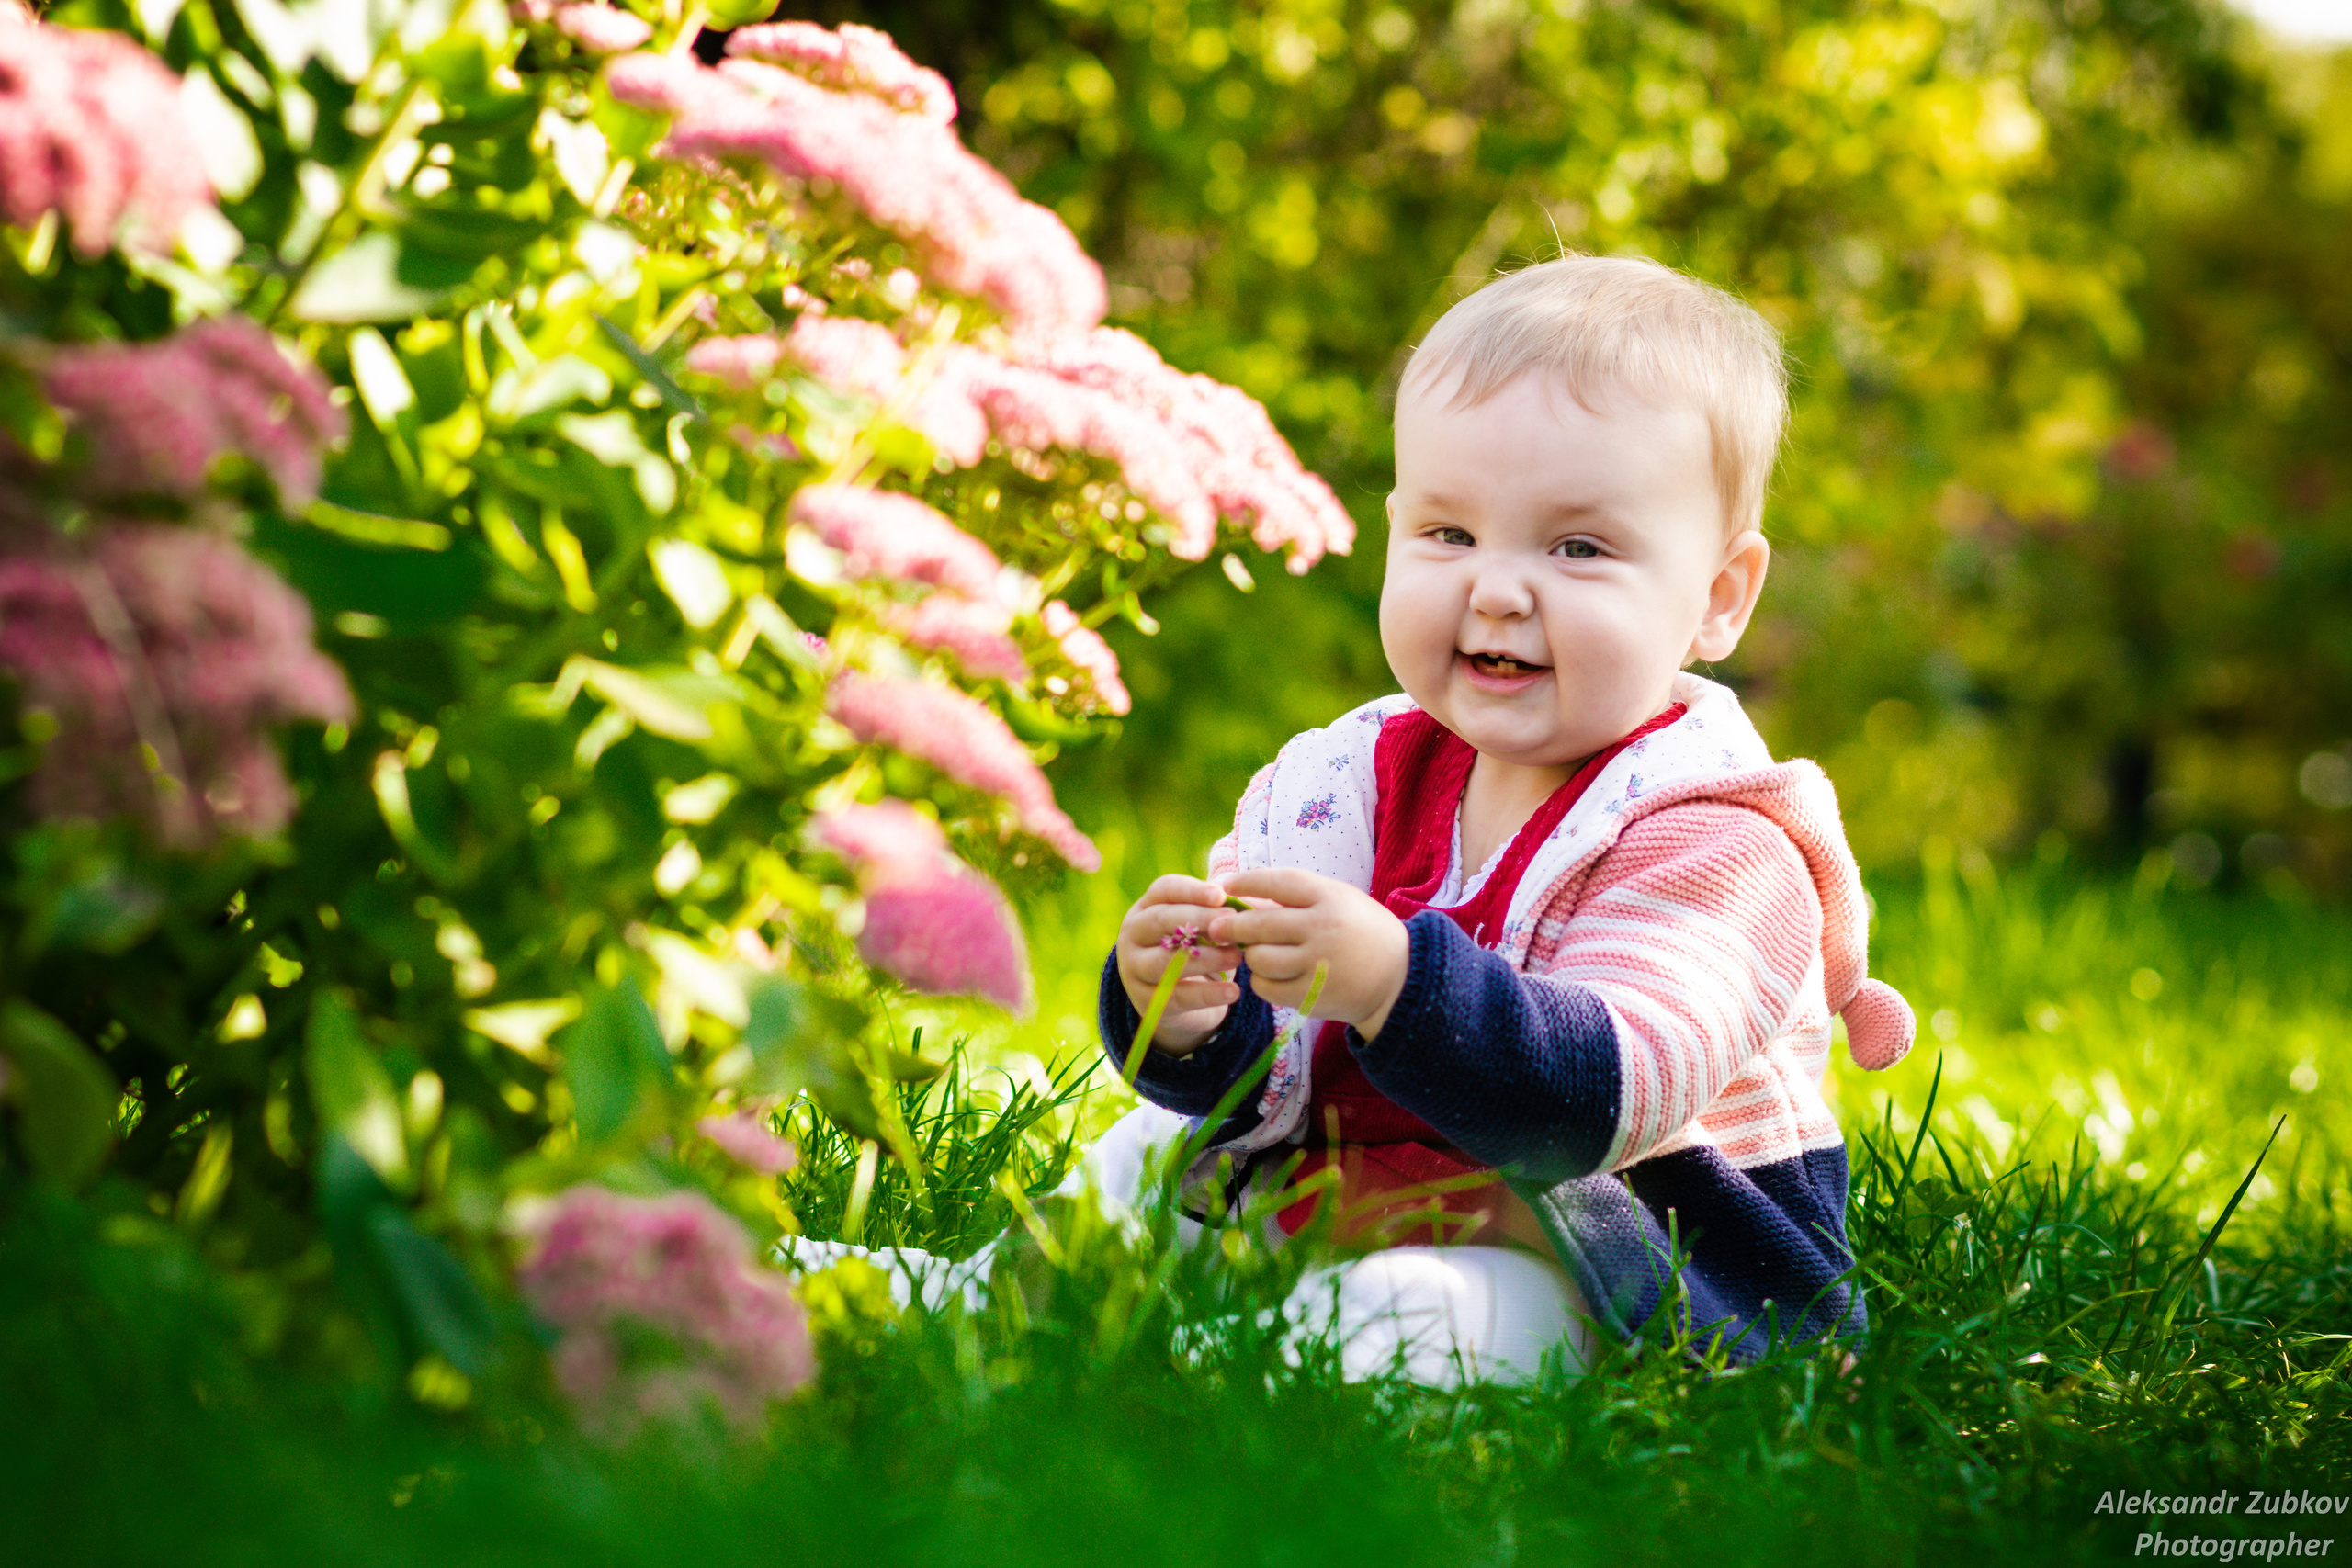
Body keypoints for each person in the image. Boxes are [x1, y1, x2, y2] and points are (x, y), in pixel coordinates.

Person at [1097, 253, 1916, 1385]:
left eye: (1577, 547)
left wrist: (1393, 982)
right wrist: (1183, 1014)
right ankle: (1000, 1287)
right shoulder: (1357, 783)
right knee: (1143, 1153)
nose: (1494, 588)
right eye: (1447, 533)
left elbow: (1602, 1098)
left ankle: (1258, 1360)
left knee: (1410, 1318)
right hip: (1348, 1182)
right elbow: (1264, 1068)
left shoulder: (1718, 843)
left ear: (1719, 596)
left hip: (1606, 1254)